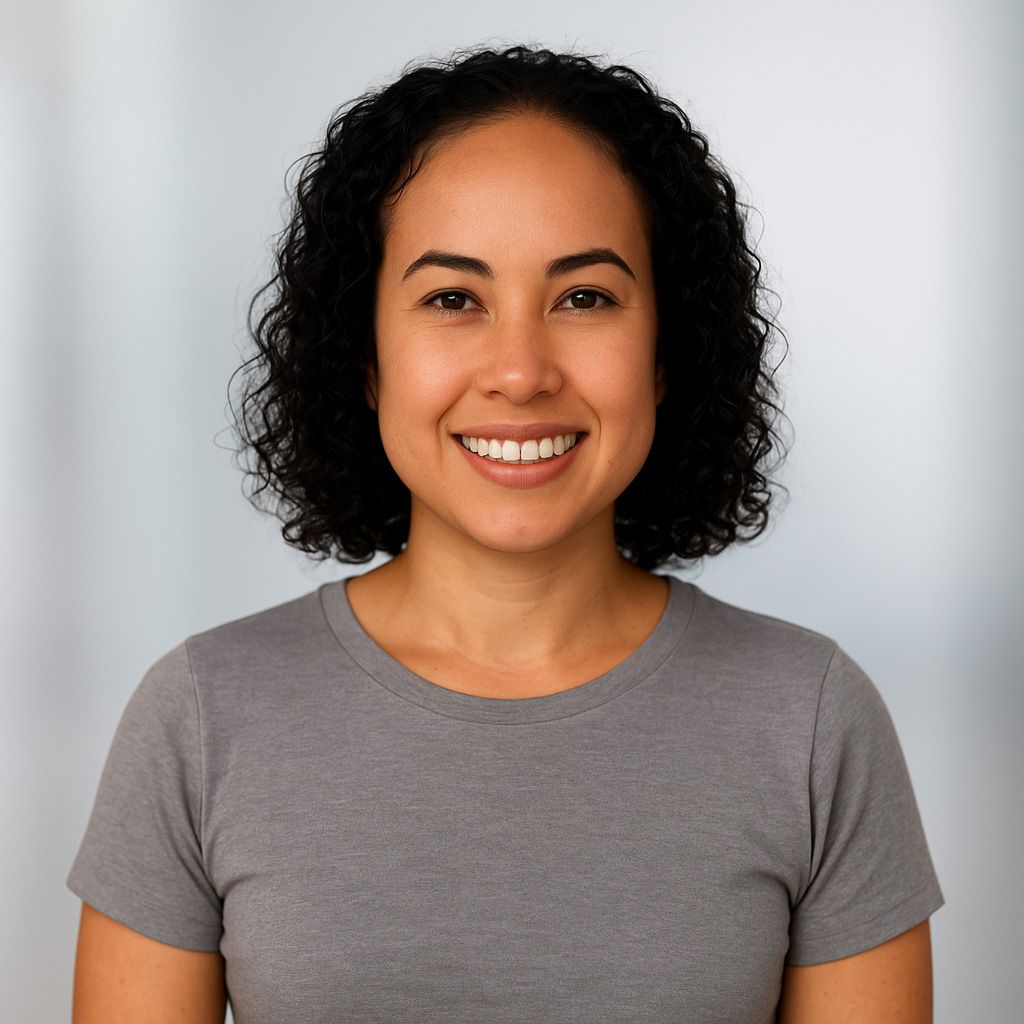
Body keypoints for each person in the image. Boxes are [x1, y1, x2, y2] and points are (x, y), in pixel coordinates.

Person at [66, 43, 944, 1023]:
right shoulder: (200, 716)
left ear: (665, 354)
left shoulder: (813, 720)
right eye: (452, 299)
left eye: (585, 297)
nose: (520, 369)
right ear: (365, 360)